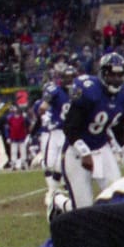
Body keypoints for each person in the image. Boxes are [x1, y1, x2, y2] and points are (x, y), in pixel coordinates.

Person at [55, 52, 124, 214]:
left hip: (101, 148)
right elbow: (70, 127)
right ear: (103, 74)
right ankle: (59, 203)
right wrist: (84, 152)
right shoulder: (88, 90)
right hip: (76, 151)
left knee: (117, 199)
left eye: (119, 74)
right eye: (112, 74)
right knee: (83, 210)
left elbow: (119, 126)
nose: (116, 79)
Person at [37, 63, 76, 214]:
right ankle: (53, 190)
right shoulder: (55, 90)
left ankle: (52, 193)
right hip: (55, 132)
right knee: (49, 163)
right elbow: (43, 107)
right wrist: (45, 107)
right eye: (67, 78)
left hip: (68, 131)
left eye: (72, 77)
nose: (70, 80)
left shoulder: (78, 92)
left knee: (60, 165)